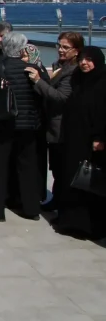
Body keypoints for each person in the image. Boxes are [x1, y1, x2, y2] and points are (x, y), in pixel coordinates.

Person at [0, 33, 44, 222]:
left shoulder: (0, 67)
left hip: (4, 122)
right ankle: (31, 209)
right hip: (28, 124)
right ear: (22, 49)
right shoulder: (33, 68)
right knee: (27, 167)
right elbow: (41, 93)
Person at [52, 47, 106, 239]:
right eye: (82, 59)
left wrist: (101, 138)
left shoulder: (102, 82)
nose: (84, 63)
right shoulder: (78, 79)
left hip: (94, 144)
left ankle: (92, 227)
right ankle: (71, 222)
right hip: (74, 140)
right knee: (72, 181)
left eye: (89, 60)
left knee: (91, 185)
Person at [28, 32, 83, 212]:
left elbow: (61, 97)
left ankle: (62, 202)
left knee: (62, 167)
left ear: (76, 51)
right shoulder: (59, 65)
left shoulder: (73, 71)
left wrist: (38, 81)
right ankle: (57, 198)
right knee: (56, 167)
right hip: (50, 123)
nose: (60, 50)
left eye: (65, 47)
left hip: (61, 126)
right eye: (59, 46)